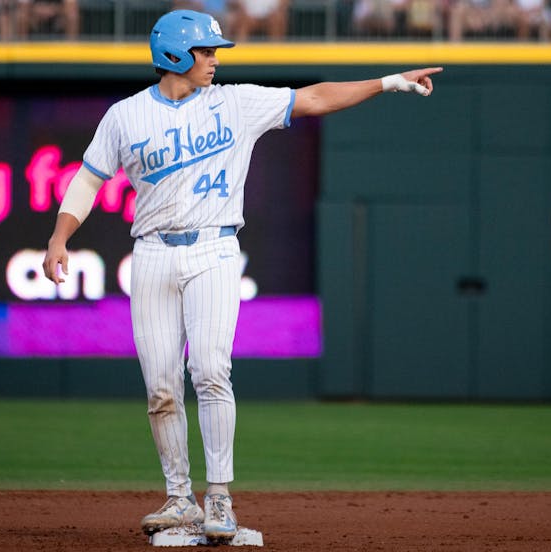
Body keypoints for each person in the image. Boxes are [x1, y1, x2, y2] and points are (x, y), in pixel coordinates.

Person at [41, 8, 441, 542]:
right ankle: (180, 500)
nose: (214, 59)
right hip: (154, 254)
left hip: (215, 249)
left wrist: (389, 81)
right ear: (174, 55)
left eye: (213, 50)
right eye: (206, 51)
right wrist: (59, 235)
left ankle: (220, 499)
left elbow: (316, 97)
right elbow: (88, 180)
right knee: (161, 386)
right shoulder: (126, 116)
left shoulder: (234, 102)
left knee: (210, 370)